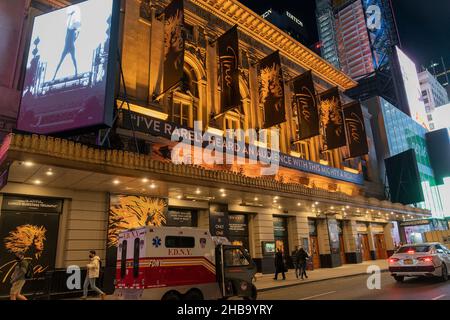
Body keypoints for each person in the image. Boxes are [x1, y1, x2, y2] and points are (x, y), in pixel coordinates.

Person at [53, 5, 81, 80]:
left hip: (70, 47)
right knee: (61, 61)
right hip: (67, 47)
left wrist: (78, 33)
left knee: (73, 59)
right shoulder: (69, 30)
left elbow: (75, 37)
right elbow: (69, 24)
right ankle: (54, 76)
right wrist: (71, 15)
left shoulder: (73, 33)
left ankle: (76, 72)